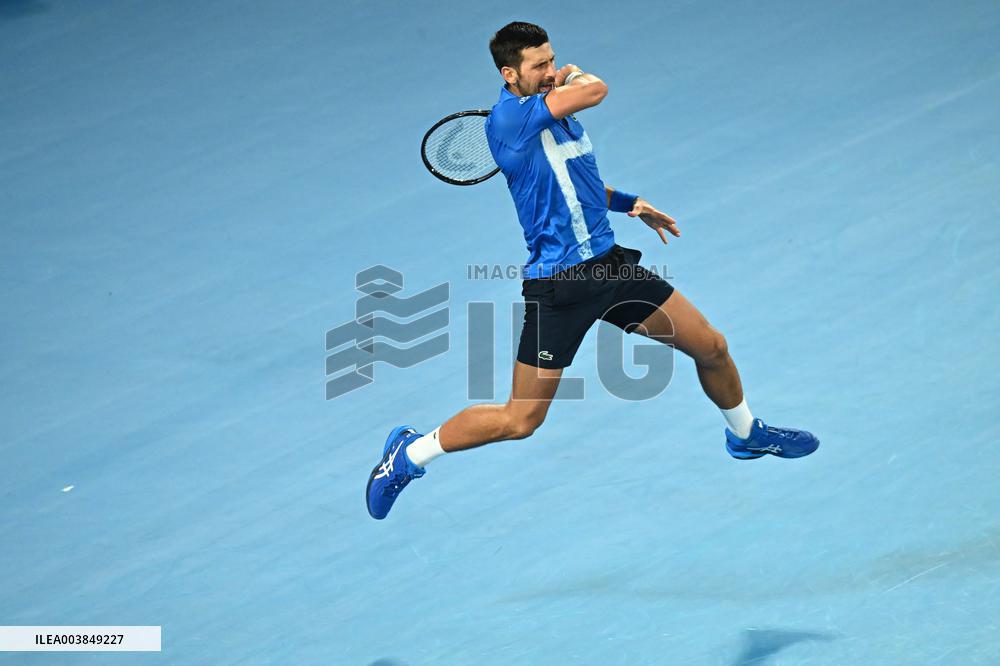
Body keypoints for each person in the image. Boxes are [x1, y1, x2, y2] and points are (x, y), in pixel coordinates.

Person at [366, 21, 818, 520]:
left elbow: (574, 183)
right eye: (539, 66)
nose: (551, 71)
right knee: (521, 420)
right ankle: (407, 454)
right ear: (509, 73)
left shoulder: (555, 118)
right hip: (560, 287)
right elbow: (596, 89)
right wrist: (579, 76)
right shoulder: (510, 120)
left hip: (611, 269)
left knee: (711, 346)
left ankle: (746, 435)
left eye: (553, 60)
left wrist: (630, 204)